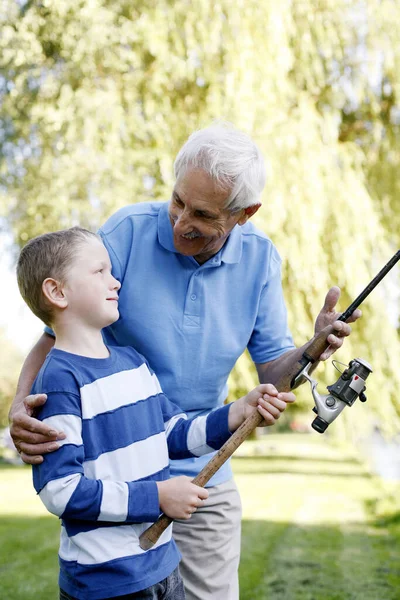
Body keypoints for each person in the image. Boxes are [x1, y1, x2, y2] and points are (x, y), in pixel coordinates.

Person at [9, 123, 360, 600]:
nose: (179, 222)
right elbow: (57, 330)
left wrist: (313, 348)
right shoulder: (124, 233)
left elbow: (277, 373)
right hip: (119, 470)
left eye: (202, 213)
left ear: (244, 214)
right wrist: (20, 407)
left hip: (204, 465)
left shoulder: (259, 260)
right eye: (177, 201)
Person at [16, 227, 295, 600]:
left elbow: (174, 434)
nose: (116, 281)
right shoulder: (60, 381)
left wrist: (238, 411)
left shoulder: (133, 362)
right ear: (57, 292)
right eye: (100, 272)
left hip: (162, 566)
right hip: (107, 582)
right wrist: (157, 497)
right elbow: (60, 491)